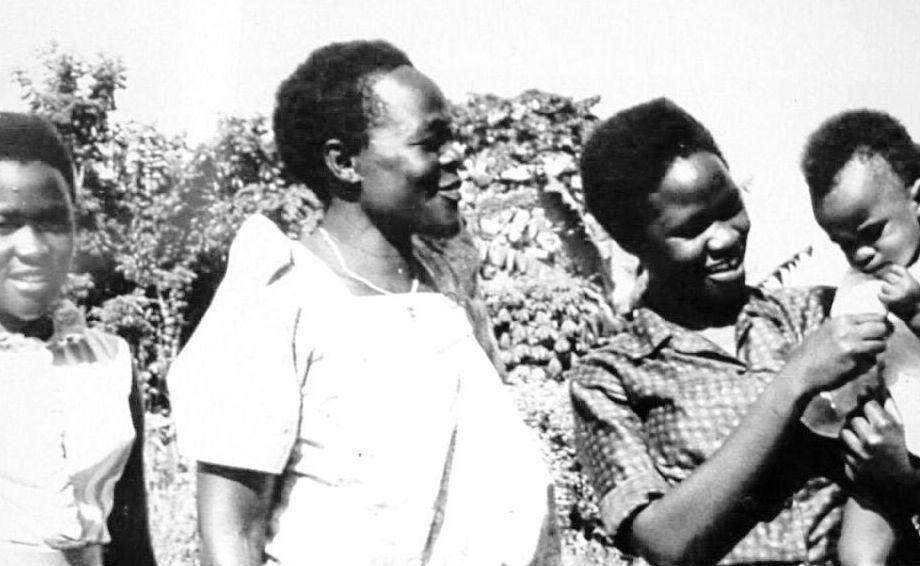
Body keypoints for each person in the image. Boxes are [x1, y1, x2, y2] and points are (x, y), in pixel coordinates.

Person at [168, 40, 558, 566]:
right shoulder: (281, 294)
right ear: (344, 162)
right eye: (430, 142)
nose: (456, 157)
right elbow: (233, 533)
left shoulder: (448, 285)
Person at [569, 98, 892, 566]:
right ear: (632, 242)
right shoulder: (610, 377)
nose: (725, 238)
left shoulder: (817, 314)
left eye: (729, 208)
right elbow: (662, 542)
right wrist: (792, 383)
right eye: (692, 228)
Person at [0, 112, 155, 566]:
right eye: (3, 224)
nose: (33, 248)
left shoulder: (107, 362)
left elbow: (130, 540)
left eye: (53, 222)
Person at [801, 109, 920, 566]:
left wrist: (916, 308)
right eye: (843, 242)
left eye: (872, 234)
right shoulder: (858, 282)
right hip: (883, 435)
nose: (861, 253)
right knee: (856, 553)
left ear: (916, 199)